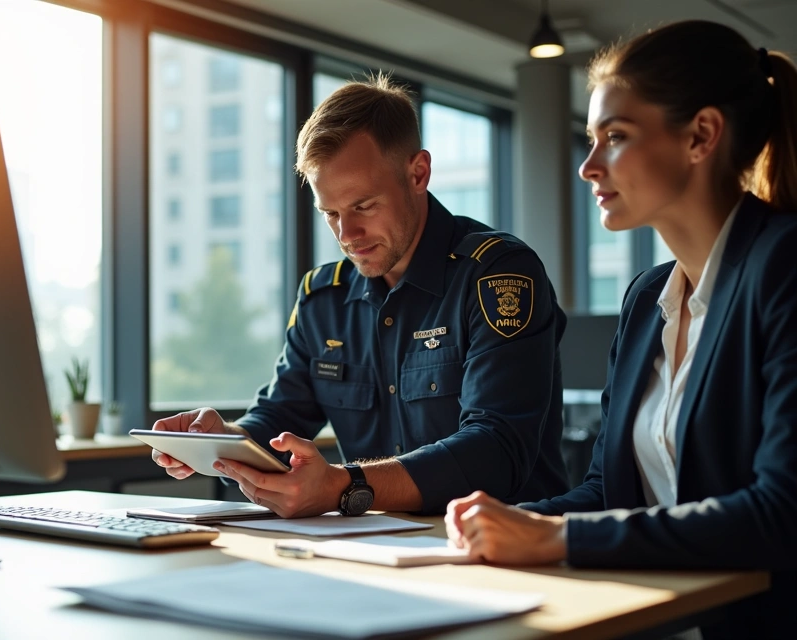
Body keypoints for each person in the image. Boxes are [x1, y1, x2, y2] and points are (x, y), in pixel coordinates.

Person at [444, 20, 797, 638]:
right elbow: (612, 490)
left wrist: (555, 536)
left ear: (701, 136)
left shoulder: (783, 267)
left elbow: (782, 512)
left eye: (615, 137)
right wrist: (509, 520)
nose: (587, 166)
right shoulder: (645, 300)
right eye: (591, 138)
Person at [149, 75, 570, 518]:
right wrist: (224, 439)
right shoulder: (321, 298)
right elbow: (279, 420)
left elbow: (496, 450)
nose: (346, 235)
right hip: (376, 549)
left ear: (418, 174)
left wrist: (344, 487)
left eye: (364, 206)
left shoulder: (497, 274)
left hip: (510, 551)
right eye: (330, 213)